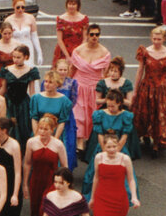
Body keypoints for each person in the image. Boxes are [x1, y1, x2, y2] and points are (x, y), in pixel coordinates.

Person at [22, 114, 67, 216]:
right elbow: (27, 163)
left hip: (52, 183)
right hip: (36, 181)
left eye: (45, 129)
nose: (42, 132)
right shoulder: (31, 143)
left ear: (52, 130)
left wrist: (65, 188)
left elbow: (65, 167)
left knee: (47, 214)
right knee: (35, 213)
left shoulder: (58, 145)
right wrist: (25, 184)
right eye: (40, 128)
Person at [81, 88, 140, 198]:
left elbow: (125, 135)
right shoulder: (99, 114)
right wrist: (105, 150)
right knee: (95, 173)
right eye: (108, 105)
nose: (110, 108)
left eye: (113, 106)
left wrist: (116, 150)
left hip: (118, 146)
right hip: (103, 146)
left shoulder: (126, 116)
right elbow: (99, 134)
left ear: (119, 104)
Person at [133, 26, 166, 156]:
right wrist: (135, 90)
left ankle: (156, 142)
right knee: (145, 113)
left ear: (164, 39)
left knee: (159, 115)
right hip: (146, 86)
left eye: (159, 39)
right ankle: (145, 135)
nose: (156, 42)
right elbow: (140, 71)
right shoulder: (145, 51)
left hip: (162, 89)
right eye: (154, 39)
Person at [70, 23, 112, 153]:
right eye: (92, 34)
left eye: (97, 34)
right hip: (80, 85)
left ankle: (90, 140)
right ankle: (79, 143)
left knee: (92, 114)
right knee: (79, 115)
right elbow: (72, 69)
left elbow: (106, 73)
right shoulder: (78, 50)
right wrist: (68, 84)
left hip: (95, 87)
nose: (94, 37)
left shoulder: (104, 52)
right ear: (87, 35)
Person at [0, 45, 39, 146]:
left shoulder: (31, 71)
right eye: (14, 57)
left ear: (26, 57)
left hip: (23, 104)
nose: (15, 60)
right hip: (9, 103)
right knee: (9, 128)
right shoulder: (6, 70)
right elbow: (3, 88)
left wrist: (35, 106)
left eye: (18, 57)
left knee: (23, 129)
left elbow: (32, 91)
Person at [29, 70, 74, 159]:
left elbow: (62, 122)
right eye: (46, 81)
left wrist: (55, 140)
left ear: (57, 84)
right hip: (39, 131)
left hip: (54, 133)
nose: (47, 84)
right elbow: (34, 118)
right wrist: (37, 136)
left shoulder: (64, 101)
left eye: (50, 82)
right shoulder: (36, 98)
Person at [4, 0, 43, 66]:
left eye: (23, 7)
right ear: (13, 7)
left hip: (27, 47)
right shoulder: (8, 20)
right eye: (18, 7)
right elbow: (6, 38)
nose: (20, 9)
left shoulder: (30, 18)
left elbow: (34, 37)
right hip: (14, 48)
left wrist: (39, 53)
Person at [53, 0, 90, 67]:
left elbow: (85, 38)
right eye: (69, 4)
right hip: (63, 52)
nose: (71, 6)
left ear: (78, 5)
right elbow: (60, 40)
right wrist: (67, 56)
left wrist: (77, 54)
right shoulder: (61, 19)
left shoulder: (84, 19)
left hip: (79, 51)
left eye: (74, 4)